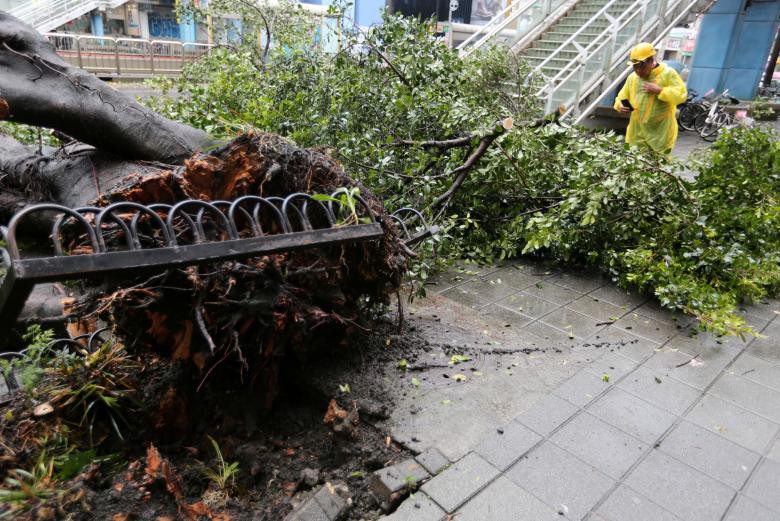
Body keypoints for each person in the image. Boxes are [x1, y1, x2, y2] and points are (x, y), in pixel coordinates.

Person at [614, 42, 687, 155]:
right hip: (636, 132)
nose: (638, 71)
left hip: (660, 132)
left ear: (650, 60)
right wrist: (620, 106)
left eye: (641, 66)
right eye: (635, 67)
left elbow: (681, 95)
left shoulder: (668, 74)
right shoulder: (632, 78)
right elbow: (621, 97)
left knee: (658, 165)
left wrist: (660, 91)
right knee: (634, 165)